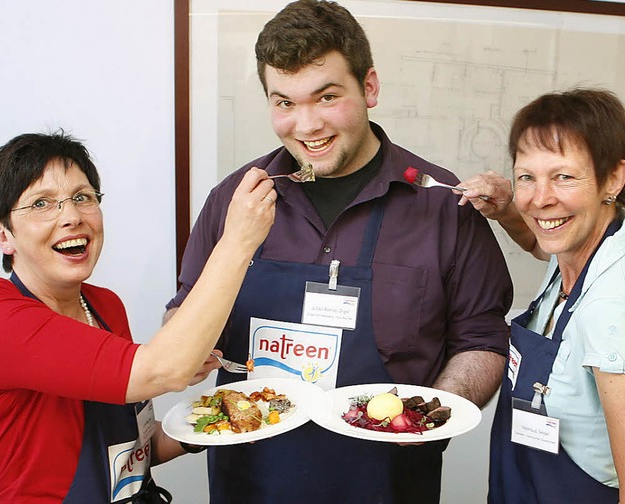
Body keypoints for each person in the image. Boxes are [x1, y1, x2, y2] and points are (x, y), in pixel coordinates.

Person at [164, 1, 513, 502]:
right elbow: (183, 314)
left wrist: (423, 420)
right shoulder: (233, 201)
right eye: (284, 102)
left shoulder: (441, 204)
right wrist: (189, 351)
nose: (305, 125)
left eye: (326, 97)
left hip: (390, 482)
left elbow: (481, 338)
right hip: (251, 481)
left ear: (369, 87)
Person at [0, 131, 276, 503]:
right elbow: (163, 370)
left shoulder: (104, 306)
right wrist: (238, 240)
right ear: (3, 235)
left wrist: (221, 420)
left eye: (82, 197)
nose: (72, 216)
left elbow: (136, 447)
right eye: (42, 203)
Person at [458, 88, 625, 503]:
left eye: (564, 176)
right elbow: (542, 241)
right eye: (527, 177)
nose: (540, 198)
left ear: (615, 179)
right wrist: (507, 212)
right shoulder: (583, 243)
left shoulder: (610, 308)